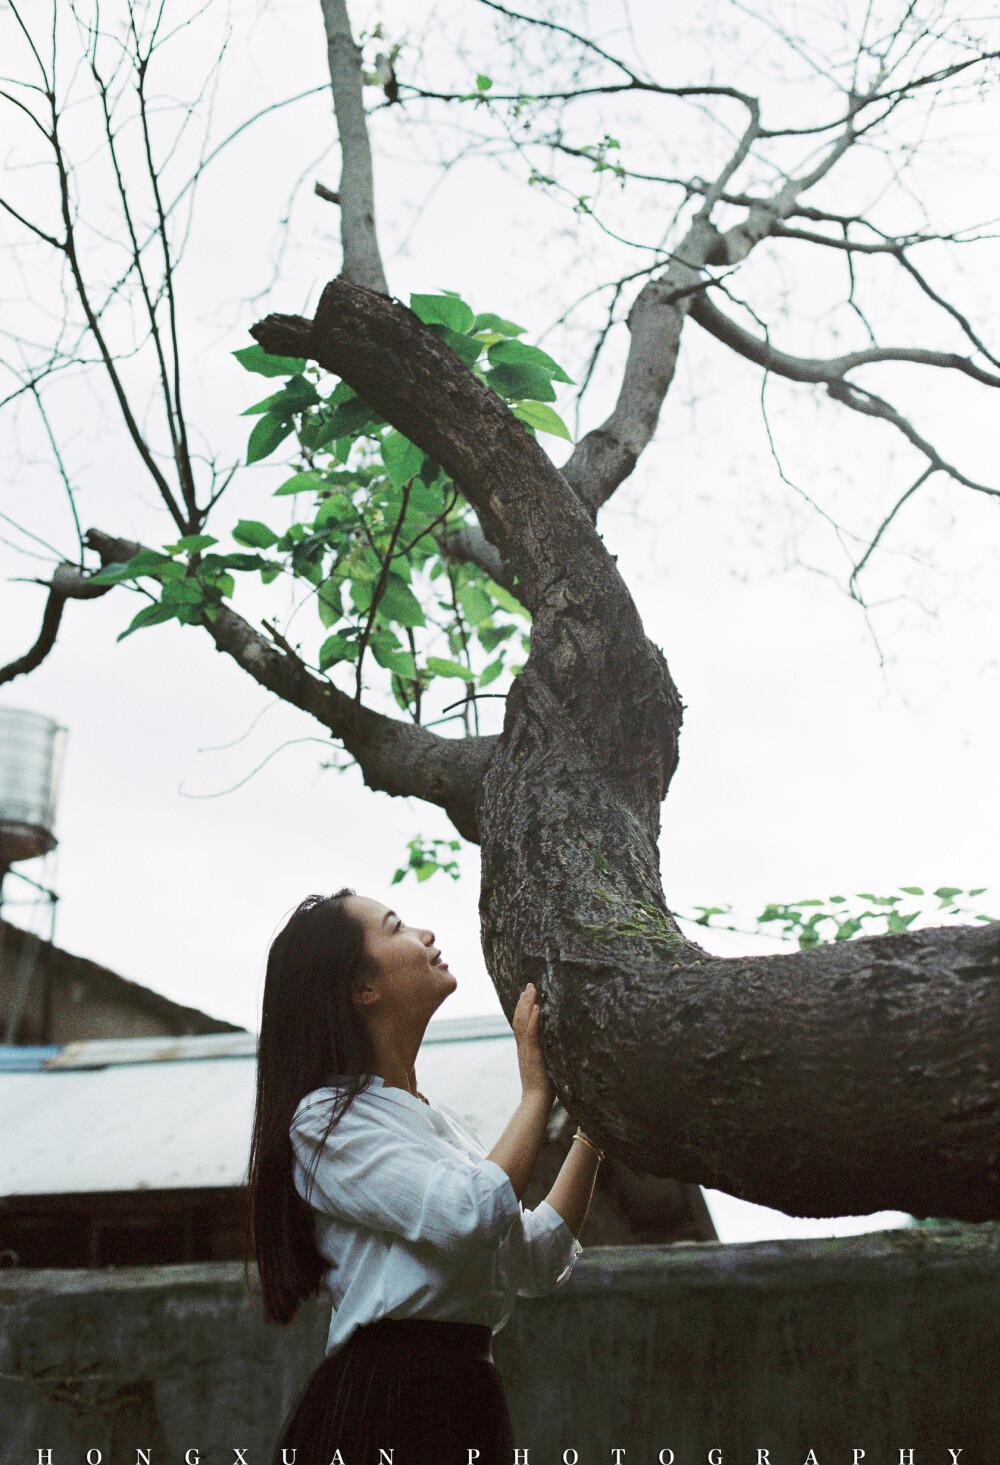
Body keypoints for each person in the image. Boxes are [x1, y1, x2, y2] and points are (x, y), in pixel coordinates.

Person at [246, 887, 604, 1465]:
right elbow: (471, 1214)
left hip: (466, 1394)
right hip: (388, 1401)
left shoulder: (441, 1126)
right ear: (362, 989)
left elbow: (535, 1259)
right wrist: (536, 1093)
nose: (426, 935)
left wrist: (595, 1131)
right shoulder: (324, 1121)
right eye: (397, 927)